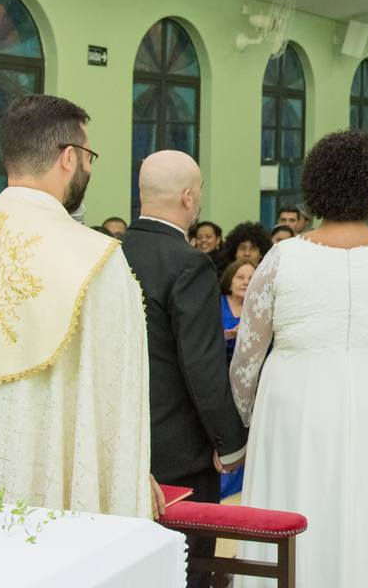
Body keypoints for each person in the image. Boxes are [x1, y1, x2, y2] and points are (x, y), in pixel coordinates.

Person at [0, 94, 157, 518]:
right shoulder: (95, 257)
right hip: (36, 504)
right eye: (89, 156)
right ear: (69, 157)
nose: (89, 167)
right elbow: (113, 401)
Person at [230, 130, 368, 587]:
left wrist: (251, 419)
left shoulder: (279, 258)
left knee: (301, 508)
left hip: (295, 404)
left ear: (314, 191)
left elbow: (246, 358)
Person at [122, 151, 249, 586]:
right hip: (179, 454)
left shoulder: (108, 253)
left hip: (121, 446)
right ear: (189, 197)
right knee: (188, 570)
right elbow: (202, 365)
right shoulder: (188, 263)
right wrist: (229, 443)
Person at [219, 259, 255, 363]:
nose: (246, 282)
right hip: (219, 367)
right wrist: (226, 337)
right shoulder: (216, 304)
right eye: (240, 277)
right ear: (229, 281)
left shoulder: (261, 310)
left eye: (251, 279)